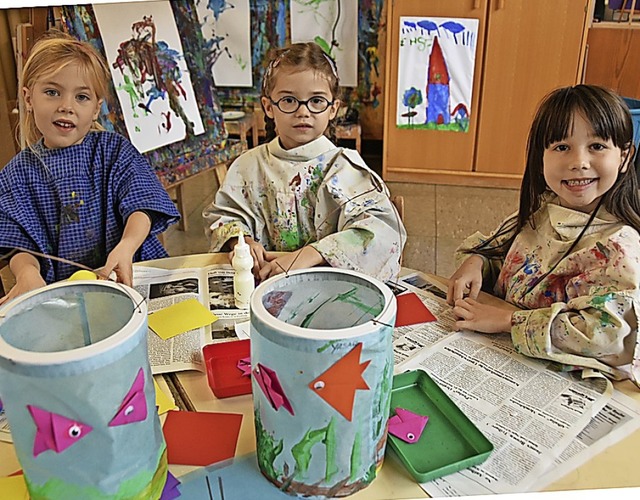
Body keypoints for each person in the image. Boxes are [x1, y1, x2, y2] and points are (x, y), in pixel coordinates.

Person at [447, 84, 640, 386]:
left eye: (597, 146)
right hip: (501, 356)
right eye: (562, 147)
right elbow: (500, 254)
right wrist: (477, 261)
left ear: (625, 156)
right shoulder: (542, 210)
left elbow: (606, 337)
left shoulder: (619, 247)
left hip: (563, 380)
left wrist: (509, 320)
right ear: (541, 158)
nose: (578, 162)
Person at [0, 33, 180, 304]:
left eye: (81, 97)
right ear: (28, 98)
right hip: (62, 297)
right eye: (52, 92)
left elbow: (142, 205)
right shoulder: (17, 174)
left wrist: (126, 246)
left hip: (129, 274)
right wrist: (26, 272)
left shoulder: (113, 151)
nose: (66, 106)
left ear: (96, 109)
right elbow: (17, 242)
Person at [203, 42, 405, 282]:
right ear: (269, 107)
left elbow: (381, 234)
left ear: (333, 109)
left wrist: (313, 253)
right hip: (262, 283)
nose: (303, 112)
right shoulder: (248, 166)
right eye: (289, 100)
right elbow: (225, 216)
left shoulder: (346, 168)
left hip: (329, 288)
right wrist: (241, 240)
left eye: (317, 101)